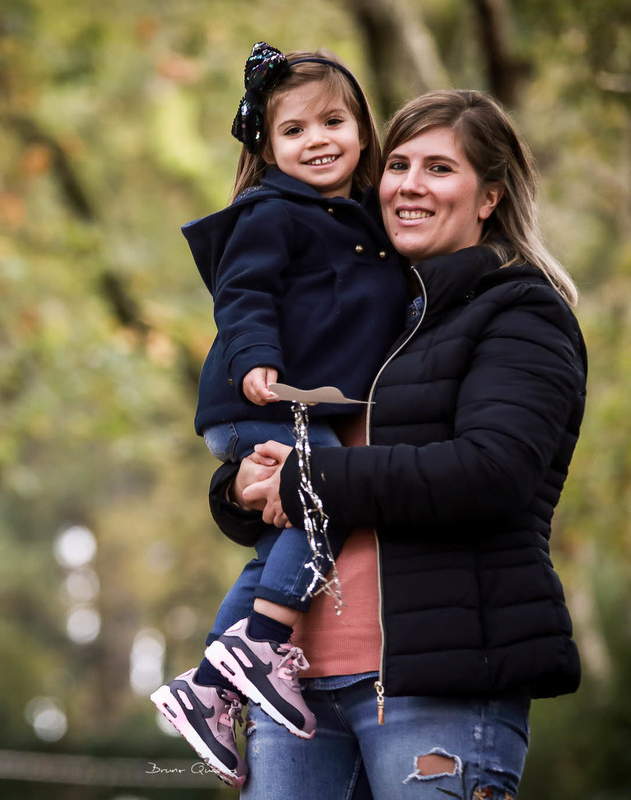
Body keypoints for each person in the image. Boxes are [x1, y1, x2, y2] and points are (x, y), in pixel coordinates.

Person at [209, 89, 587, 799]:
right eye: (399, 164)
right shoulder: (360, 311)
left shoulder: (520, 313)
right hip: (296, 690)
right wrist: (239, 489)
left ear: (490, 197)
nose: (410, 184)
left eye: (440, 168)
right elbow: (290, 464)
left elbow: (491, 472)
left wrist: (311, 479)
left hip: (433, 686)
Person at [149, 42, 406, 788]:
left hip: (289, 406)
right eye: (294, 130)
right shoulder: (271, 212)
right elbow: (244, 292)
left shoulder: (362, 222)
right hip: (256, 397)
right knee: (328, 489)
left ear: (364, 130)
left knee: (283, 543)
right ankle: (262, 640)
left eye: (333, 122)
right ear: (266, 149)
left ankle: (208, 687)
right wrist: (256, 356)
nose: (317, 140)